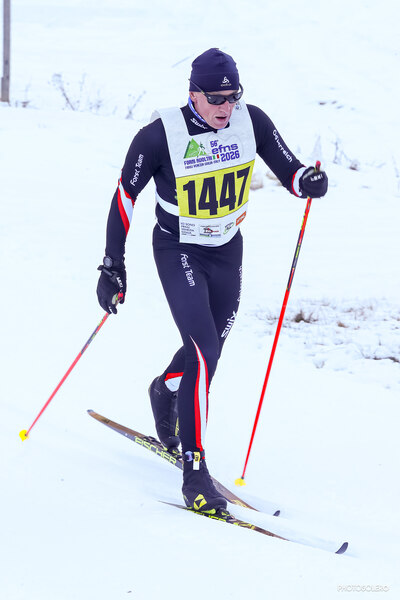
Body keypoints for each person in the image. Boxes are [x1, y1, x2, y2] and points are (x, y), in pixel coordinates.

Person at [96, 48, 328, 514]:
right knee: (203, 350)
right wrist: (112, 265)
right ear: (193, 94)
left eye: (232, 96)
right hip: (178, 249)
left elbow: (290, 171)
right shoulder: (159, 135)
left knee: (211, 349)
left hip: (226, 249)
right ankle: (195, 472)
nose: (226, 107)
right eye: (216, 98)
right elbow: (125, 196)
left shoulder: (250, 121)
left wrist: (308, 181)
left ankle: (165, 389)